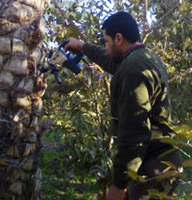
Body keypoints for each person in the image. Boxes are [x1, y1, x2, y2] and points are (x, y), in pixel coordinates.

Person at [64, 12, 182, 200]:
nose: (106, 46)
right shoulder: (145, 57)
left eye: (107, 41)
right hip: (163, 161)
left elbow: (134, 133)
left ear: (118, 38)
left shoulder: (132, 70)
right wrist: (82, 46)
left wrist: (119, 184)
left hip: (152, 167)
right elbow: (110, 60)